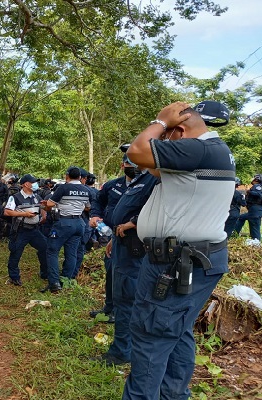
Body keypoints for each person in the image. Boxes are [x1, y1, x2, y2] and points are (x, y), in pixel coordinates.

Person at [122, 100, 234, 399]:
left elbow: (137, 152)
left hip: (174, 262)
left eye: (166, 135)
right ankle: (173, 395)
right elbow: (150, 166)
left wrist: (159, 120)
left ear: (180, 131)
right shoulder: (211, 152)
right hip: (192, 259)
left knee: (151, 336)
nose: (162, 141)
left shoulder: (198, 148)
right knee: (177, 331)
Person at [91, 166, 158, 366]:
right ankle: (124, 346)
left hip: (136, 249)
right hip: (123, 243)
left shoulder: (155, 178)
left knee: (128, 299)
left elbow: (161, 209)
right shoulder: (128, 182)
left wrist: (133, 223)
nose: (130, 161)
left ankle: (122, 351)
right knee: (122, 297)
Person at [88, 148, 136, 322]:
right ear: (123, 165)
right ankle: (109, 307)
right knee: (111, 272)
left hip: (134, 239)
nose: (134, 167)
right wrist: (94, 215)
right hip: (112, 237)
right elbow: (98, 201)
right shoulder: (113, 185)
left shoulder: (144, 186)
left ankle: (120, 311)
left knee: (125, 278)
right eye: (130, 163)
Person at [41, 166, 90, 293]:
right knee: (72, 253)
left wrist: (58, 204)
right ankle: (66, 281)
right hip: (79, 223)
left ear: (67, 176)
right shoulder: (86, 189)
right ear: (80, 177)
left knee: (52, 251)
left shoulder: (64, 187)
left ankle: (54, 283)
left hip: (64, 222)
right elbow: (88, 207)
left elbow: (50, 204)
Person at [4, 174, 48, 286]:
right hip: (21, 230)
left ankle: (45, 273)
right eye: (33, 182)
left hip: (34, 230)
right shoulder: (15, 197)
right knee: (16, 252)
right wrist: (24, 214)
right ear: (26, 184)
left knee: (45, 248)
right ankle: (14, 277)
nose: (35, 184)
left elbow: (43, 209)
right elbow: (7, 212)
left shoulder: (37, 197)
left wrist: (44, 213)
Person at [234, 174, 262, 241]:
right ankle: (235, 233)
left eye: (255, 179)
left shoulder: (257, 186)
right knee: (242, 217)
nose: (253, 180)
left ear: (257, 180)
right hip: (256, 210)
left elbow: (259, 194)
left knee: (254, 227)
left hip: (255, 210)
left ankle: (256, 241)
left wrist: (249, 191)